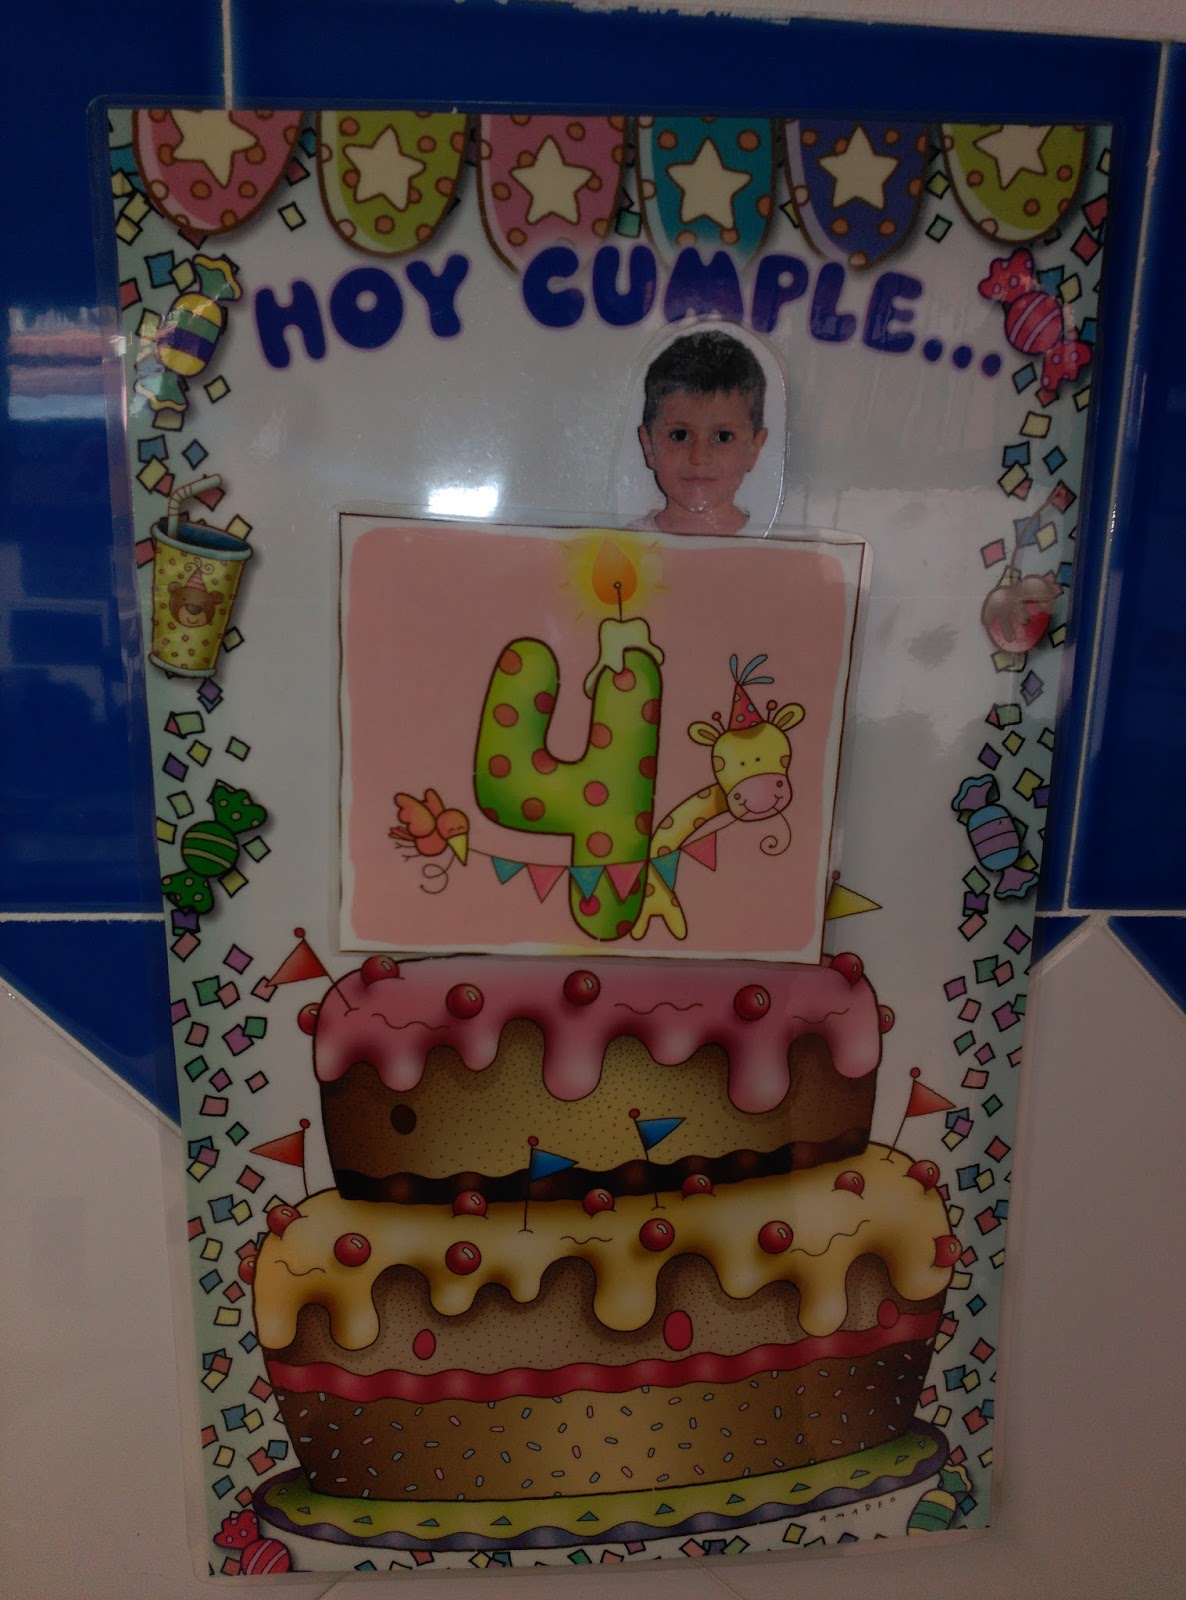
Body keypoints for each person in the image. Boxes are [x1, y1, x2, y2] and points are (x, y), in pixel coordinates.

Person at [633, 329, 769, 535]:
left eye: (723, 437)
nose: (699, 457)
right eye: (680, 435)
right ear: (649, 446)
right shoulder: (626, 545)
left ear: (753, 448)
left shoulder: (773, 545)